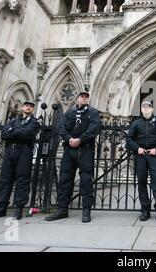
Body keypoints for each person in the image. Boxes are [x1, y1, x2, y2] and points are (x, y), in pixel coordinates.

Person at [45, 91, 101, 223]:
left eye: (86, 97)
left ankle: (86, 210)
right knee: (65, 178)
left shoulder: (93, 112)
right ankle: (62, 209)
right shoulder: (69, 112)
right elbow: (61, 126)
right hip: (69, 149)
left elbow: (94, 128)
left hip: (85, 149)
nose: (84, 98)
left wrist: (80, 139)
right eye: (82, 97)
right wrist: (69, 139)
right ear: (77, 99)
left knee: (86, 179)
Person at [0, 101, 40, 220]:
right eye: (27, 106)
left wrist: (13, 131)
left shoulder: (34, 122)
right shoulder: (13, 120)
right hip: (10, 150)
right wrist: (16, 132)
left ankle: (19, 208)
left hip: (24, 151)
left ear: (33, 109)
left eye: (31, 106)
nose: (29, 107)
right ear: (22, 107)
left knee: (22, 179)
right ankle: (1, 207)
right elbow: (4, 134)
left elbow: (28, 133)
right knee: (5, 179)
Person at [126, 102, 156, 223]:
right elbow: (129, 139)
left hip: (155, 155)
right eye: (144, 107)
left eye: (148, 107)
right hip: (141, 155)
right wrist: (137, 148)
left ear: (152, 108)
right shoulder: (136, 123)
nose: (146, 109)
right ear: (141, 109)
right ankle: (145, 210)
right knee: (141, 182)